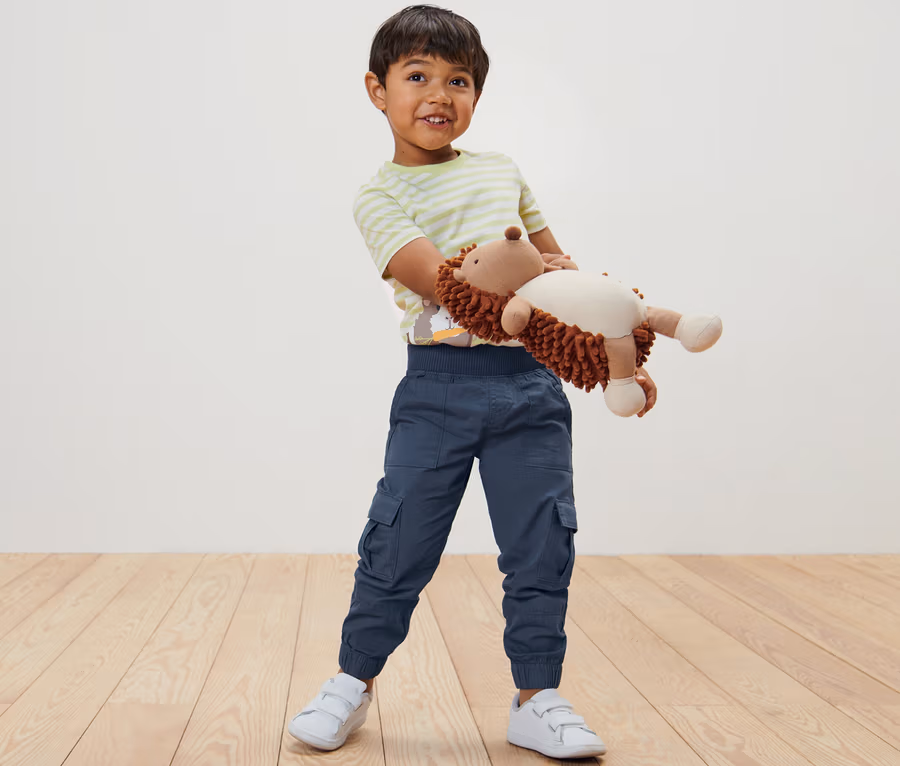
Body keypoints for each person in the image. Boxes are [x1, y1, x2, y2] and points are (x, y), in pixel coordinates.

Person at [288, 5, 656, 759]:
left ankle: (537, 698)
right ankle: (352, 682)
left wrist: (621, 355)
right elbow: (450, 287)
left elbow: (568, 282)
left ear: (477, 96)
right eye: (417, 75)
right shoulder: (378, 198)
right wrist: (535, 274)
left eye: (458, 81)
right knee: (398, 542)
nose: (439, 94)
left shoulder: (502, 172)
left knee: (542, 542)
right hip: (438, 390)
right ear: (377, 90)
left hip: (531, 387)